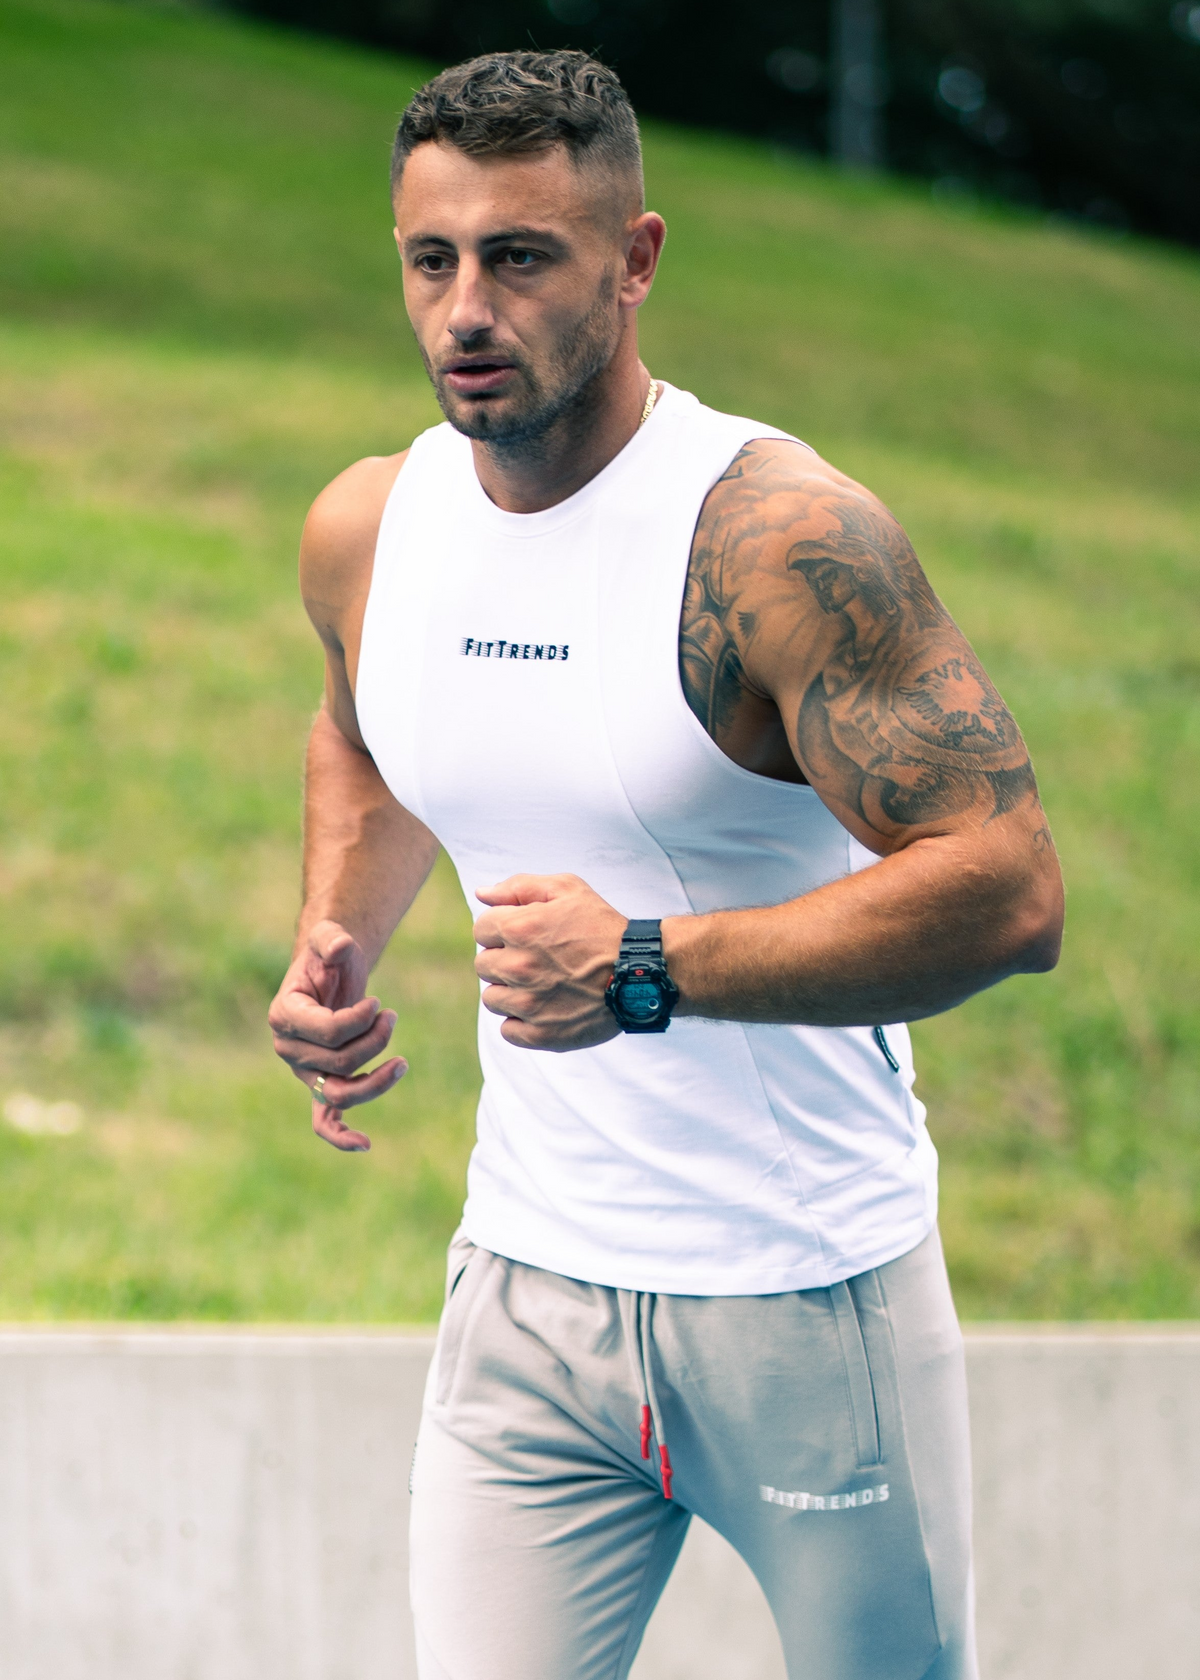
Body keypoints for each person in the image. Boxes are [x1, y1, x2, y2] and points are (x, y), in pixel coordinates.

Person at [268, 49, 1063, 1680]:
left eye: (521, 257)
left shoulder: (774, 543)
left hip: (804, 1300)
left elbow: (1007, 884)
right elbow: (366, 728)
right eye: (433, 260)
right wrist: (333, 934)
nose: (464, 311)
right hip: (526, 1299)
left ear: (633, 263)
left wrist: (644, 966)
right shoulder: (372, 526)